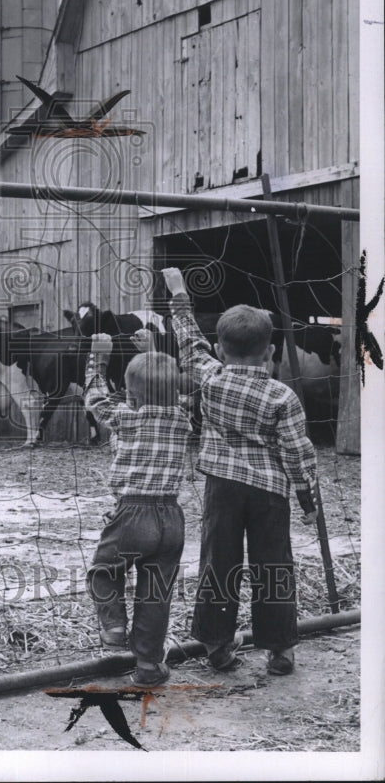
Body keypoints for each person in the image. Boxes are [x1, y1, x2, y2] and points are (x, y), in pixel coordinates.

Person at [161, 267, 319, 676]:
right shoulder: (282, 396)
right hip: (270, 492)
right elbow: (298, 454)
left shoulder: (210, 378)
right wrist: (307, 500)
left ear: (220, 347)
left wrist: (179, 293)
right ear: (270, 351)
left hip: (222, 487)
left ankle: (216, 645)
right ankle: (280, 650)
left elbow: (189, 342)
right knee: (274, 566)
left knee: (219, 561)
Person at [83, 331, 197, 686]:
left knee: (104, 569)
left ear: (130, 395)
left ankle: (115, 626)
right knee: (155, 594)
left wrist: (97, 358)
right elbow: (169, 391)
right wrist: (153, 353)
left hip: (133, 513)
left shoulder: (123, 417)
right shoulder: (183, 418)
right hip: (171, 518)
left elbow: (94, 397)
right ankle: (148, 666)